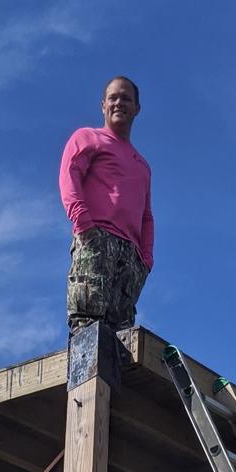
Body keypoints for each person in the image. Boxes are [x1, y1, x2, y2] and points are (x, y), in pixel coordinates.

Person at [59, 76, 154, 333]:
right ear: (103, 105)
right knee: (87, 327)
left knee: (121, 335)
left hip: (130, 257)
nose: (118, 102)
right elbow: (70, 176)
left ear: (137, 108)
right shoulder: (88, 137)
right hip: (97, 239)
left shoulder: (142, 165)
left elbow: (146, 215)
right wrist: (85, 225)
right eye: (113, 97)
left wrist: (145, 259)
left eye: (125, 98)